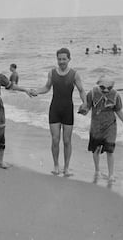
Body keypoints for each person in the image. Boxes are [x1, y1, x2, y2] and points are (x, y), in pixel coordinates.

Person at [30, 48, 87, 177]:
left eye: (64, 59)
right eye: (59, 59)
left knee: (67, 141)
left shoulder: (74, 74)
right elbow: (46, 87)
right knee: (55, 140)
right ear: (57, 59)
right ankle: (56, 166)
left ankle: (66, 168)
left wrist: (85, 103)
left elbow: (82, 90)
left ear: (69, 59)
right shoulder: (52, 73)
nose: (61, 61)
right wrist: (37, 91)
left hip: (68, 110)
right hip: (54, 109)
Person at [80, 76, 123, 182]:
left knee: (110, 150)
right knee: (96, 149)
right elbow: (87, 108)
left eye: (109, 88)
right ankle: (97, 170)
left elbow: (118, 110)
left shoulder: (116, 95)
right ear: (98, 84)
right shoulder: (92, 93)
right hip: (96, 125)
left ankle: (111, 174)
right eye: (103, 87)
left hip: (110, 125)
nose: (106, 90)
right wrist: (83, 110)